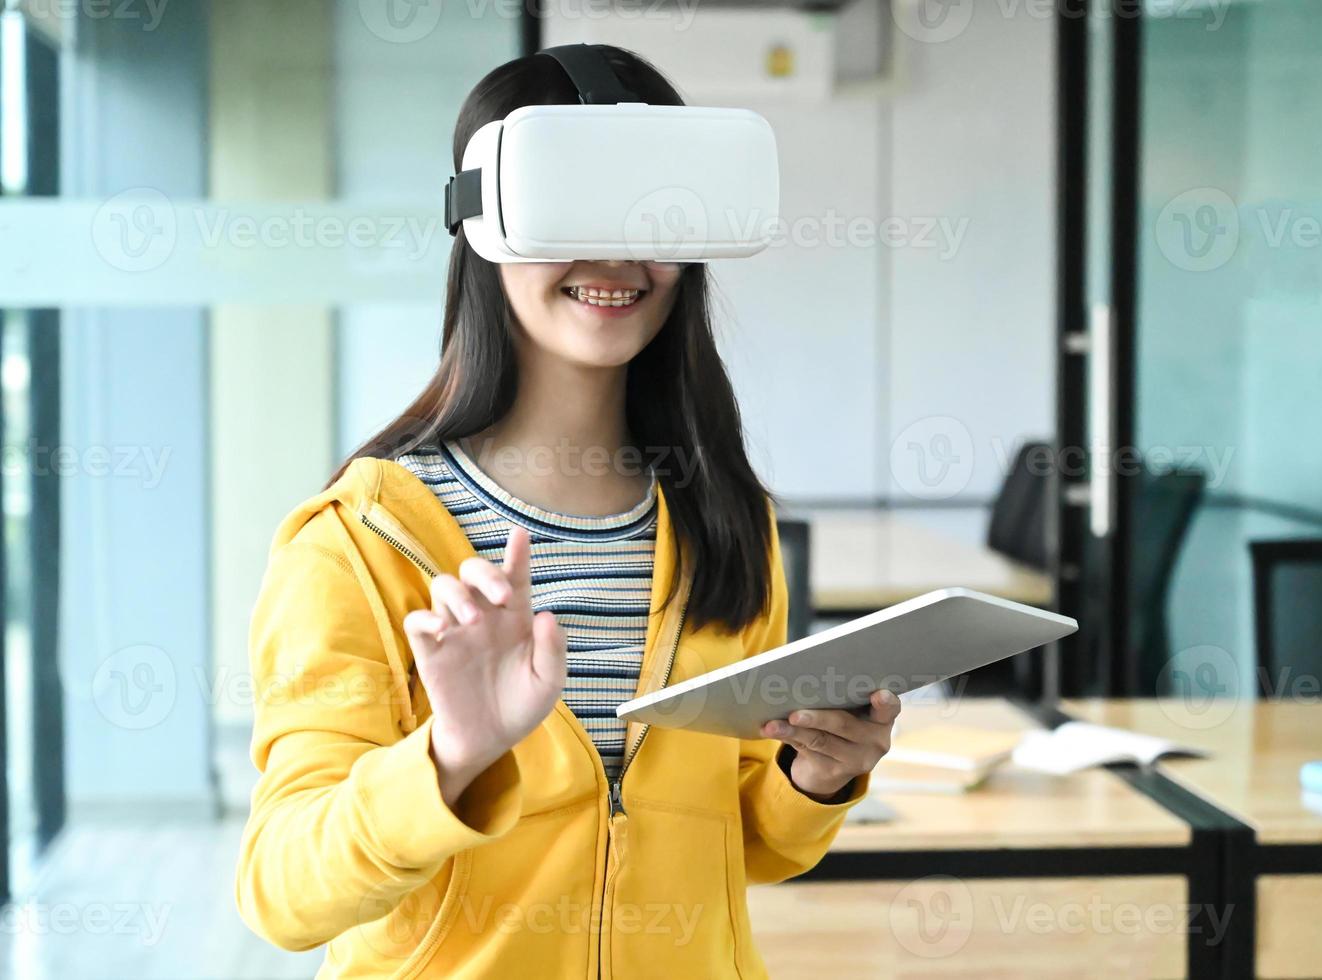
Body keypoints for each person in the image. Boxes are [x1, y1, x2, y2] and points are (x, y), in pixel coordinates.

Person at [235, 45, 899, 979]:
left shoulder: (724, 520)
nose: (618, 256)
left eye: (653, 211)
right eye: (573, 206)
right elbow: (283, 890)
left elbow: (748, 845)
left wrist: (818, 774)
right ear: (480, 222)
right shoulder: (357, 539)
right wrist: (452, 754)